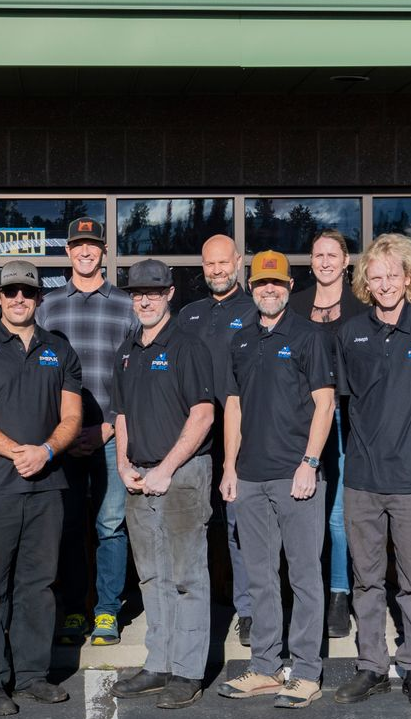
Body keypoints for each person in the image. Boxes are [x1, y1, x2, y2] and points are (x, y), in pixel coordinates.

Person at [0, 260, 82, 716]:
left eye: (27, 292)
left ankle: (31, 676)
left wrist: (44, 452)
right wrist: (15, 452)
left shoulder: (59, 350)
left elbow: (72, 416)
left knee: (38, 586)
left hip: (47, 487)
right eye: (11, 293)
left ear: (39, 298)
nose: (19, 299)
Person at [333, 234, 411, 709]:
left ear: (409, 278)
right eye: (375, 276)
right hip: (363, 477)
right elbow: (345, 403)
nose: (384, 284)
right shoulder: (350, 333)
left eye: (392, 275)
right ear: (366, 282)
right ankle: (370, 666)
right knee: (365, 579)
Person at [218, 251, 335, 708]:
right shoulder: (242, 340)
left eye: (278, 284)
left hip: (296, 477)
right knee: (261, 577)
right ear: (252, 287)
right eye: (262, 284)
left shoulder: (308, 335)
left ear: (289, 287)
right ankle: (266, 667)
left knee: (304, 577)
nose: (270, 290)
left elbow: (324, 404)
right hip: (249, 479)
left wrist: (309, 463)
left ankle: (305, 672)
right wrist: (229, 467)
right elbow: (234, 407)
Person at [111, 259, 214, 710]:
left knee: (187, 577)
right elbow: (122, 414)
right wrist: (122, 464)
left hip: (182, 475)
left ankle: (187, 672)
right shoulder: (127, 348)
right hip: (139, 476)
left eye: (153, 292)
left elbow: (203, 414)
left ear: (170, 293)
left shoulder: (188, 345)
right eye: (137, 293)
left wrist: (167, 468)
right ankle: (159, 663)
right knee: (152, 577)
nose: (145, 300)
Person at [36, 217, 135, 648]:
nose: (85, 252)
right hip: (63, 436)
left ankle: (108, 611)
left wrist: (110, 426)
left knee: (110, 525)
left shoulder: (128, 306)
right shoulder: (49, 306)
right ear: (68, 252)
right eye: (78, 245)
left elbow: (134, 375)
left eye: (92, 245)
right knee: (69, 524)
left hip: (112, 434)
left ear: (103, 252)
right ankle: (74, 608)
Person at [178, 234, 257, 647]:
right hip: (194, 435)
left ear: (238, 261)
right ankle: (197, 608)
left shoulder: (255, 310)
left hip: (240, 434)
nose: (216, 270)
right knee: (192, 524)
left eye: (223, 262)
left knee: (238, 525)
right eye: (209, 264)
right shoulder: (188, 314)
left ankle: (247, 610)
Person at [288, 230, 364, 639]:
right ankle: (304, 593)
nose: (325, 261)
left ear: (346, 260)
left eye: (332, 254)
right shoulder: (296, 305)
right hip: (302, 418)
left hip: (348, 418)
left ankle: (338, 593)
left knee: (337, 513)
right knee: (302, 506)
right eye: (318, 254)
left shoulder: (361, 306)